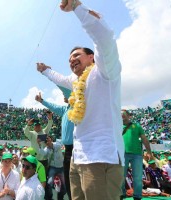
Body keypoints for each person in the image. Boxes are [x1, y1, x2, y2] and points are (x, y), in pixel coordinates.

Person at [36, 0, 124, 199]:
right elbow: (59, 78)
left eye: (77, 55)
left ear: (92, 57)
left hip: (101, 157)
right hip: (77, 157)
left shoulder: (105, 72)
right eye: (69, 60)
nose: (72, 60)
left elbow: (105, 37)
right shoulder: (76, 83)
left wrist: (77, 7)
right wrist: (45, 70)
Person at [35, 90, 74, 199]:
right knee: (50, 182)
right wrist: (42, 101)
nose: (63, 96)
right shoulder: (65, 110)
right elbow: (53, 106)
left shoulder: (57, 145)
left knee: (67, 185)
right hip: (54, 166)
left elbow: (56, 146)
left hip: (68, 157)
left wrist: (49, 143)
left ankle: (61, 197)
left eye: (65, 94)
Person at [121, 109, 153, 200]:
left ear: (128, 116)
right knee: (121, 175)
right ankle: (122, 194)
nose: (121, 115)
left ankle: (137, 196)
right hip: (122, 154)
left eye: (123, 114)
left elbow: (144, 139)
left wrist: (149, 152)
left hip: (137, 155)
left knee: (138, 176)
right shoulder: (117, 126)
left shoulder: (137, 126)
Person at [38, 135, 66, 200]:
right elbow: (43, 153)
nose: (47, 140)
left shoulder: (57, 144)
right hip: (53, 168)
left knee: (64, 186)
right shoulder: (46, 149)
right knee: (49, 183)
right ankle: (50, 197)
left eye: (48, 139)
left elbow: (58, 146)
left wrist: (50, 144)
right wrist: (39, 145)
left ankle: (60, 197)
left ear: (51, 139)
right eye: (46, 140)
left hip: (61, 167)